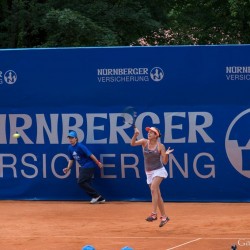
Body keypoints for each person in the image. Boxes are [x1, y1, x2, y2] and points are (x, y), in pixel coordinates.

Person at [130, 126, 174, 227]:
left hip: (159, 170)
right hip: (149, 172)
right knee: (157, 195)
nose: (148, 133)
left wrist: (166, 154)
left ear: (156, 135)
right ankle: (164, 217)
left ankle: (154, 214)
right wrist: (135, 135)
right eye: (148, 132)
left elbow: (165, 162)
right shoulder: (144, 142)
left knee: (153, 189)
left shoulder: (160, 146)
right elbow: (132, 144)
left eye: (151, 132)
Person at [63, 131, 105, 204]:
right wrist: (68, 168)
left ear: (76, 138)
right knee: (87, 183)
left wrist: (98, 162)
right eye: (69, 138)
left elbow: (91, 155)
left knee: (80, 182)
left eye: (72, 138)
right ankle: (100, 199)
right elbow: (71, 159)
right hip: (84, 166)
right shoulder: (69, 148)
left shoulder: (80, 146)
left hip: (89, 165)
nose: (70, 139)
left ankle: (96, 196)